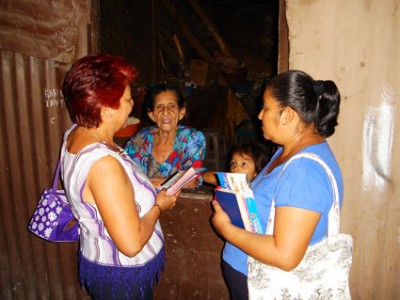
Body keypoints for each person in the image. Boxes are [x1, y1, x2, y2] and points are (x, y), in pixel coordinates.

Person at [211, 70, 343, 298]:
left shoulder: (304, 171)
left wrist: (226, 229)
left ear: (288, 115)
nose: (260, 115)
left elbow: (285, 255)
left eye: (266, 108)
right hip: (250, 278)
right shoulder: (285, 152)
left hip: (268, 285)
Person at [60, 53, 179, 299]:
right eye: (126, 100)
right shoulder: (103, 165)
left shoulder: (78, 133)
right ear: (105, 109)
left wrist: (146, 183)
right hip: (123, 281)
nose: (132, 104)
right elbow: (132, 244)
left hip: (106, 266)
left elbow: (107, 190)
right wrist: (159, 205)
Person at [203, 142, 271, 300]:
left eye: (244, 164)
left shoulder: (257, 191)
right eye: (233, 163)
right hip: (232, 261)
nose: (236, 168)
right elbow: (206, 176)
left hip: (247, 267)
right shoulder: (232, 188)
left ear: (257, 172)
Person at [124, 84, 205, 189]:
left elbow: (193, 180)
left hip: (180, 201)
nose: (165, 112)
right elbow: (124, 169)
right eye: (159, 107)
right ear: (152, 115)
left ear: (181, 112)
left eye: (171, 106)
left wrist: (153, 183)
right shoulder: (142, 138)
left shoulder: (191, 137)